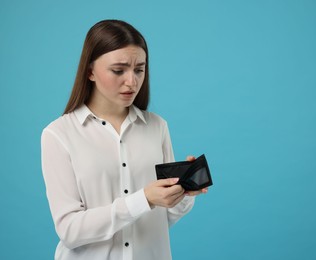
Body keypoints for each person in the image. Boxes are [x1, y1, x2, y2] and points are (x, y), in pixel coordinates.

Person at [41, 19, 207, 260]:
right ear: (90, 71)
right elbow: (69, 230)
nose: (132, 81)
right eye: (118, 70)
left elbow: (163, 218)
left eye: (139, 69)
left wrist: (182, 193)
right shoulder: (58, 134)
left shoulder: (157, 126)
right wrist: (143, 199)